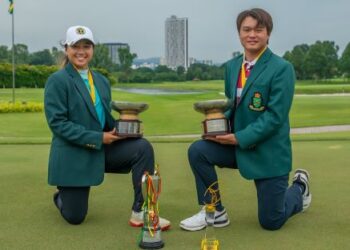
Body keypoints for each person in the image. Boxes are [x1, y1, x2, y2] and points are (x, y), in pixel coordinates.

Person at [180, 8, 311, 231]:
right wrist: (217, 127)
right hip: (239, 146)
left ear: (268, 33)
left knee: (272, 221)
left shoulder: (282, 68)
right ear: (239, 33)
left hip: (268, 152)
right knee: (198, 150)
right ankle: (214, 211)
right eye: (246, 29)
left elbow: (274, 117)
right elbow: (233, 106)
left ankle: (299, 188)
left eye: (259, 30)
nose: (252, 34)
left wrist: (238, 138)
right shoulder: (232, 67)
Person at [44, 25, 170, 229]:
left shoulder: (101, 81)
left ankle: (142, 211)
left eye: (86, 46)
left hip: (100, 150)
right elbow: (58, 124)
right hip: (74, 155)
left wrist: (127, 129)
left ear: (93, 49)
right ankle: (61, 196)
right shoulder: (57, 81)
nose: (81, 51)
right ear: (66, 48)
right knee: (75, 217)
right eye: (76, 46)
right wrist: (98, 138)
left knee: (142, 147)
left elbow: (104, 119)